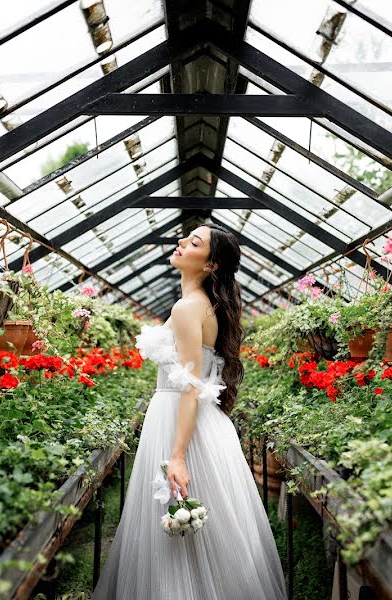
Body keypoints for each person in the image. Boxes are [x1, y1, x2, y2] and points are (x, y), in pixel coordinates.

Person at [91, 223, 286, 600]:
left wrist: (177, 455)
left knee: (181, 518)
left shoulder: (187, 307)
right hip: (200, 422)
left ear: (211, 265)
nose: (181, 242)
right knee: (205, 527)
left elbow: (191, 386)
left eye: (194, 242)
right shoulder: (202, 305)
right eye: (186, 237)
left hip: (181, 423)